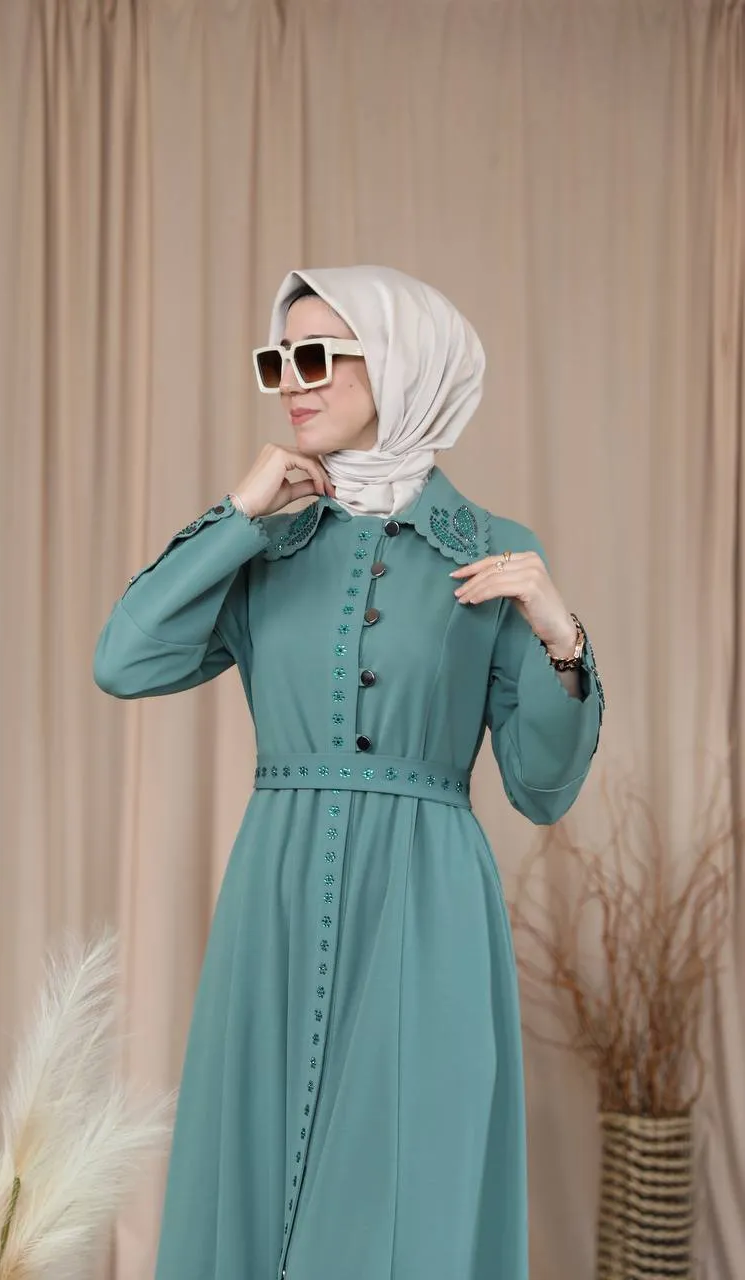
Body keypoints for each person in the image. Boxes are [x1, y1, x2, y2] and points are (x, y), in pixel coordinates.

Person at [93, 265, 604, 1280]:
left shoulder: (496, 552)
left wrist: (561, 638)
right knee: (251, 1171)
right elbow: (124, 660)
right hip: (274, 895)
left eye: (320, 356)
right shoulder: (264, 546)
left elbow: (541, 787)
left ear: (404, 363)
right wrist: (237, 511)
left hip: (427, 904)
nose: (294, 381)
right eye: (278, 360)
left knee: (406, 1183)